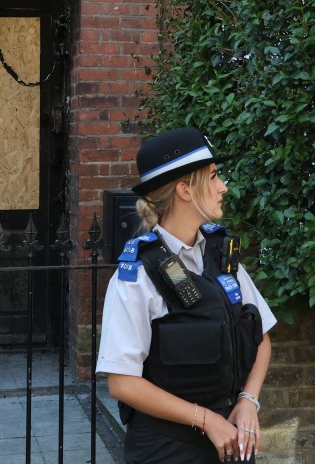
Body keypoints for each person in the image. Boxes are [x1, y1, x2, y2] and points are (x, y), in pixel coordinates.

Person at [97, 127, 276, 463]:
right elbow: (122, 383)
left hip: (231, 443)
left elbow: (261, 338)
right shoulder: (138, 275)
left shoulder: (223, 257)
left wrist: (248, 402)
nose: (223, 187)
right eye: (212, 177)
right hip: (168, 450)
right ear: (184, 190)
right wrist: (206, 420)